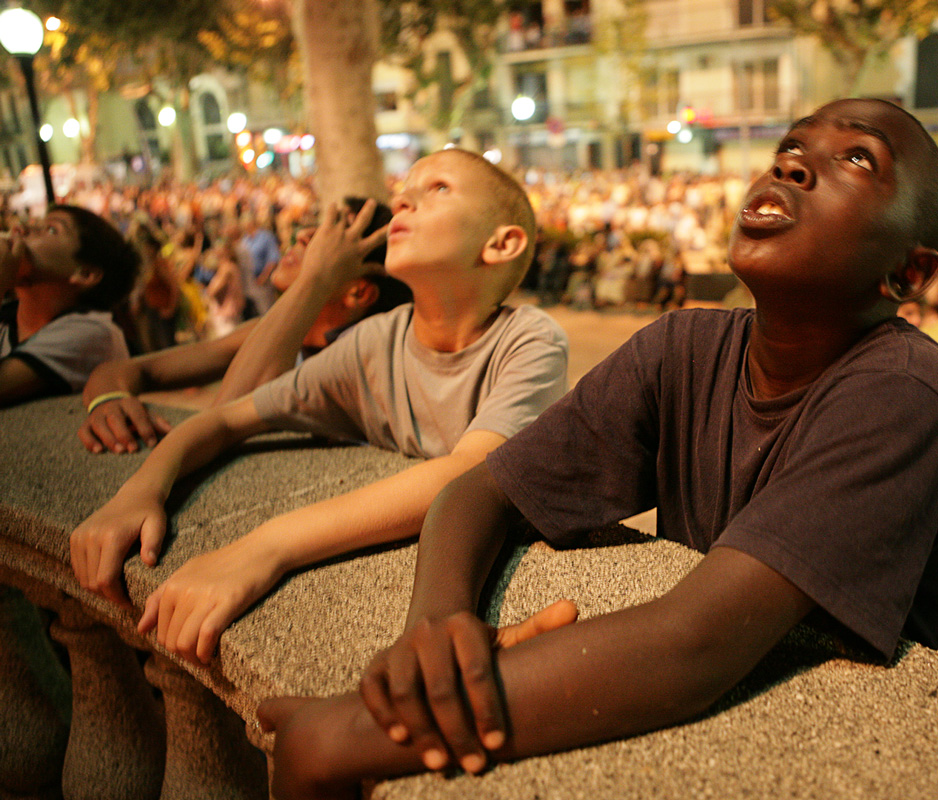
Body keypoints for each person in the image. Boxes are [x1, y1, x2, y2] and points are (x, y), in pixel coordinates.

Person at [258, 98, 938, 797]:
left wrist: (346, 733)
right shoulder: (683, 348)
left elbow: (693, 645)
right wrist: (437, 633)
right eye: (791, 148)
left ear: (908, 275)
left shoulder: (901, 389)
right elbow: (483, 490)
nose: (793, 167)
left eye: (856, 158)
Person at [69, 150, 568, 666]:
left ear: (502, 243)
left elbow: (470, 472)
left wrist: (265, 546)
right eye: (405, 189)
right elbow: (224, 418)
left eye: (438, 187)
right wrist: (139, 492)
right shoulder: (373, 341)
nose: (402, 199)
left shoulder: (530, 338)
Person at [76, 198, 409, 455]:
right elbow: (125, 370)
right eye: (318, 227)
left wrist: (316, 278)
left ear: (359, 292)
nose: (306, 236)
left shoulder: (366, 353)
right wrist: (109, 401)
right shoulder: (264, 332)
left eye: (335, 239)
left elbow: (222, 419)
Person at [0, 205, 139, 406]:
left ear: (84, 274)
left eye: (50, 229)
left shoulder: (94, 333)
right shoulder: (6, 322)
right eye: (35, 223)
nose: (21, 230)